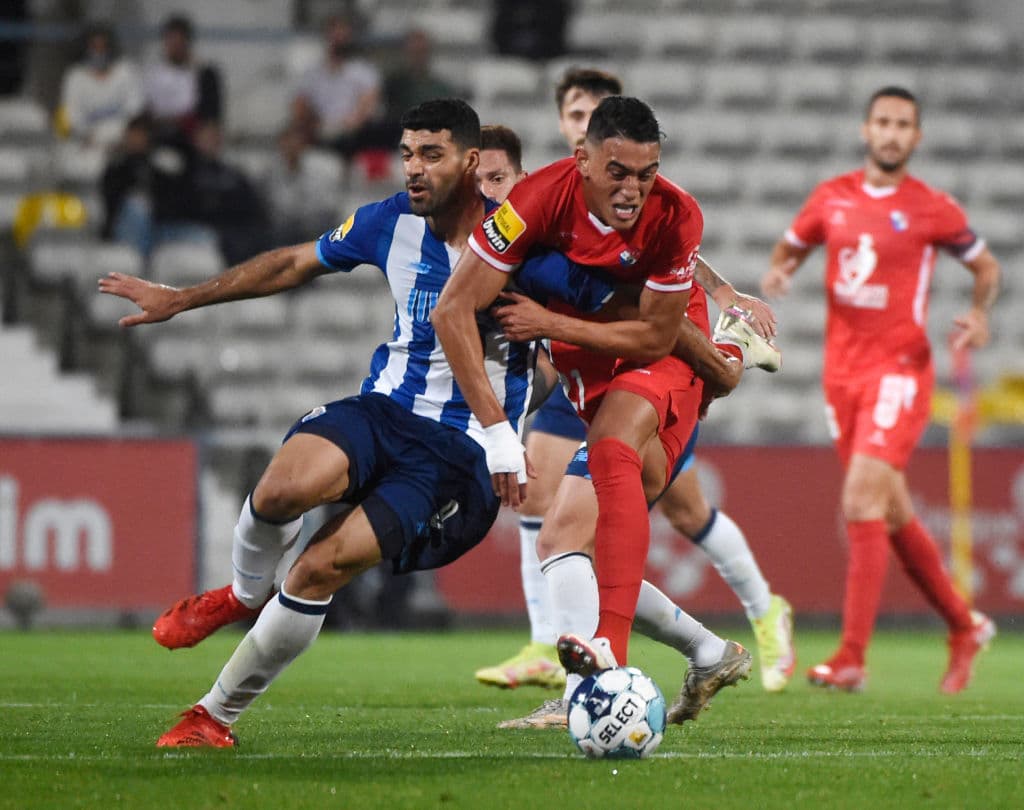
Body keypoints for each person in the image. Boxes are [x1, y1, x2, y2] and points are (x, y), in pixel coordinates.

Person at [98, 99, 538, 747]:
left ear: (471, 163)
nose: (414, 168)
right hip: (386, 409)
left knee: (316, 569)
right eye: (408, 153)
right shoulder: (390, 219)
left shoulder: (527, 242)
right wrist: (183, 298)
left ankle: (212, 717)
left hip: (460, 452)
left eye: (432, 155)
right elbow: (293, 262)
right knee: (280, 489)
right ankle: (244, 596)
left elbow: (602, 302)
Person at [474, 68, 795, 695]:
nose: (632, 187)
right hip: (591, 366)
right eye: (575, 114)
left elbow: (654, 326)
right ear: (576, 144)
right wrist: (500, 422)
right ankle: (707, 651)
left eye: (644, 173)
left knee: (627, 453)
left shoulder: (659, 209)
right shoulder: (537, 205)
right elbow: (470, 315)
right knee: (564, 541)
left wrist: (721, 293)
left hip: (651, 352)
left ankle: (603, 666)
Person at [760, 86, 1000, 694]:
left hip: (901, 369)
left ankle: (851, 657)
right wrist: (781, 271)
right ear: (865, 130)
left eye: (903, 125)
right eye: (883, 122)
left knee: (861, 501)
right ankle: (964, 625)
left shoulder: (932, 207)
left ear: (916, 137)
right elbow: (789, 248)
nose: (891, 133)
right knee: (891, 512)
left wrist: (978, 313)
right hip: (842, 376)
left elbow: (986, 266)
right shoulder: (830, 197)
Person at [290, 15, 389, 167]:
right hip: (319, 131)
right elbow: (300, 105)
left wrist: (347, 125)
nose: (339, 39)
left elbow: (368, 105)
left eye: (343, 34)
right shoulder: (313, 73)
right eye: (335, 33)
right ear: (327, 36)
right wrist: (314, 124)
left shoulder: (364, 71)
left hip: (353, 134)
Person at [58, 22, 144, 151]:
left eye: (103, 47)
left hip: (124, 142)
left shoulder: (126, 71)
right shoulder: (75, 76)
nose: (99, 52)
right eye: (94, 47)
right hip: (87, 143)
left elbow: (135, 108)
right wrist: (91, 136)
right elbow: (72, 115)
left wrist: (119, 135)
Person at [142, 13, 223, 144]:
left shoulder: (202, 73)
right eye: (171, 41)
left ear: (187, 42)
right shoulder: (153, 73)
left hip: (189, 133)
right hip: (158, 130)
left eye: (179, 42)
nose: (175, 46)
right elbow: (148, 108)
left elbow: (205, 114)